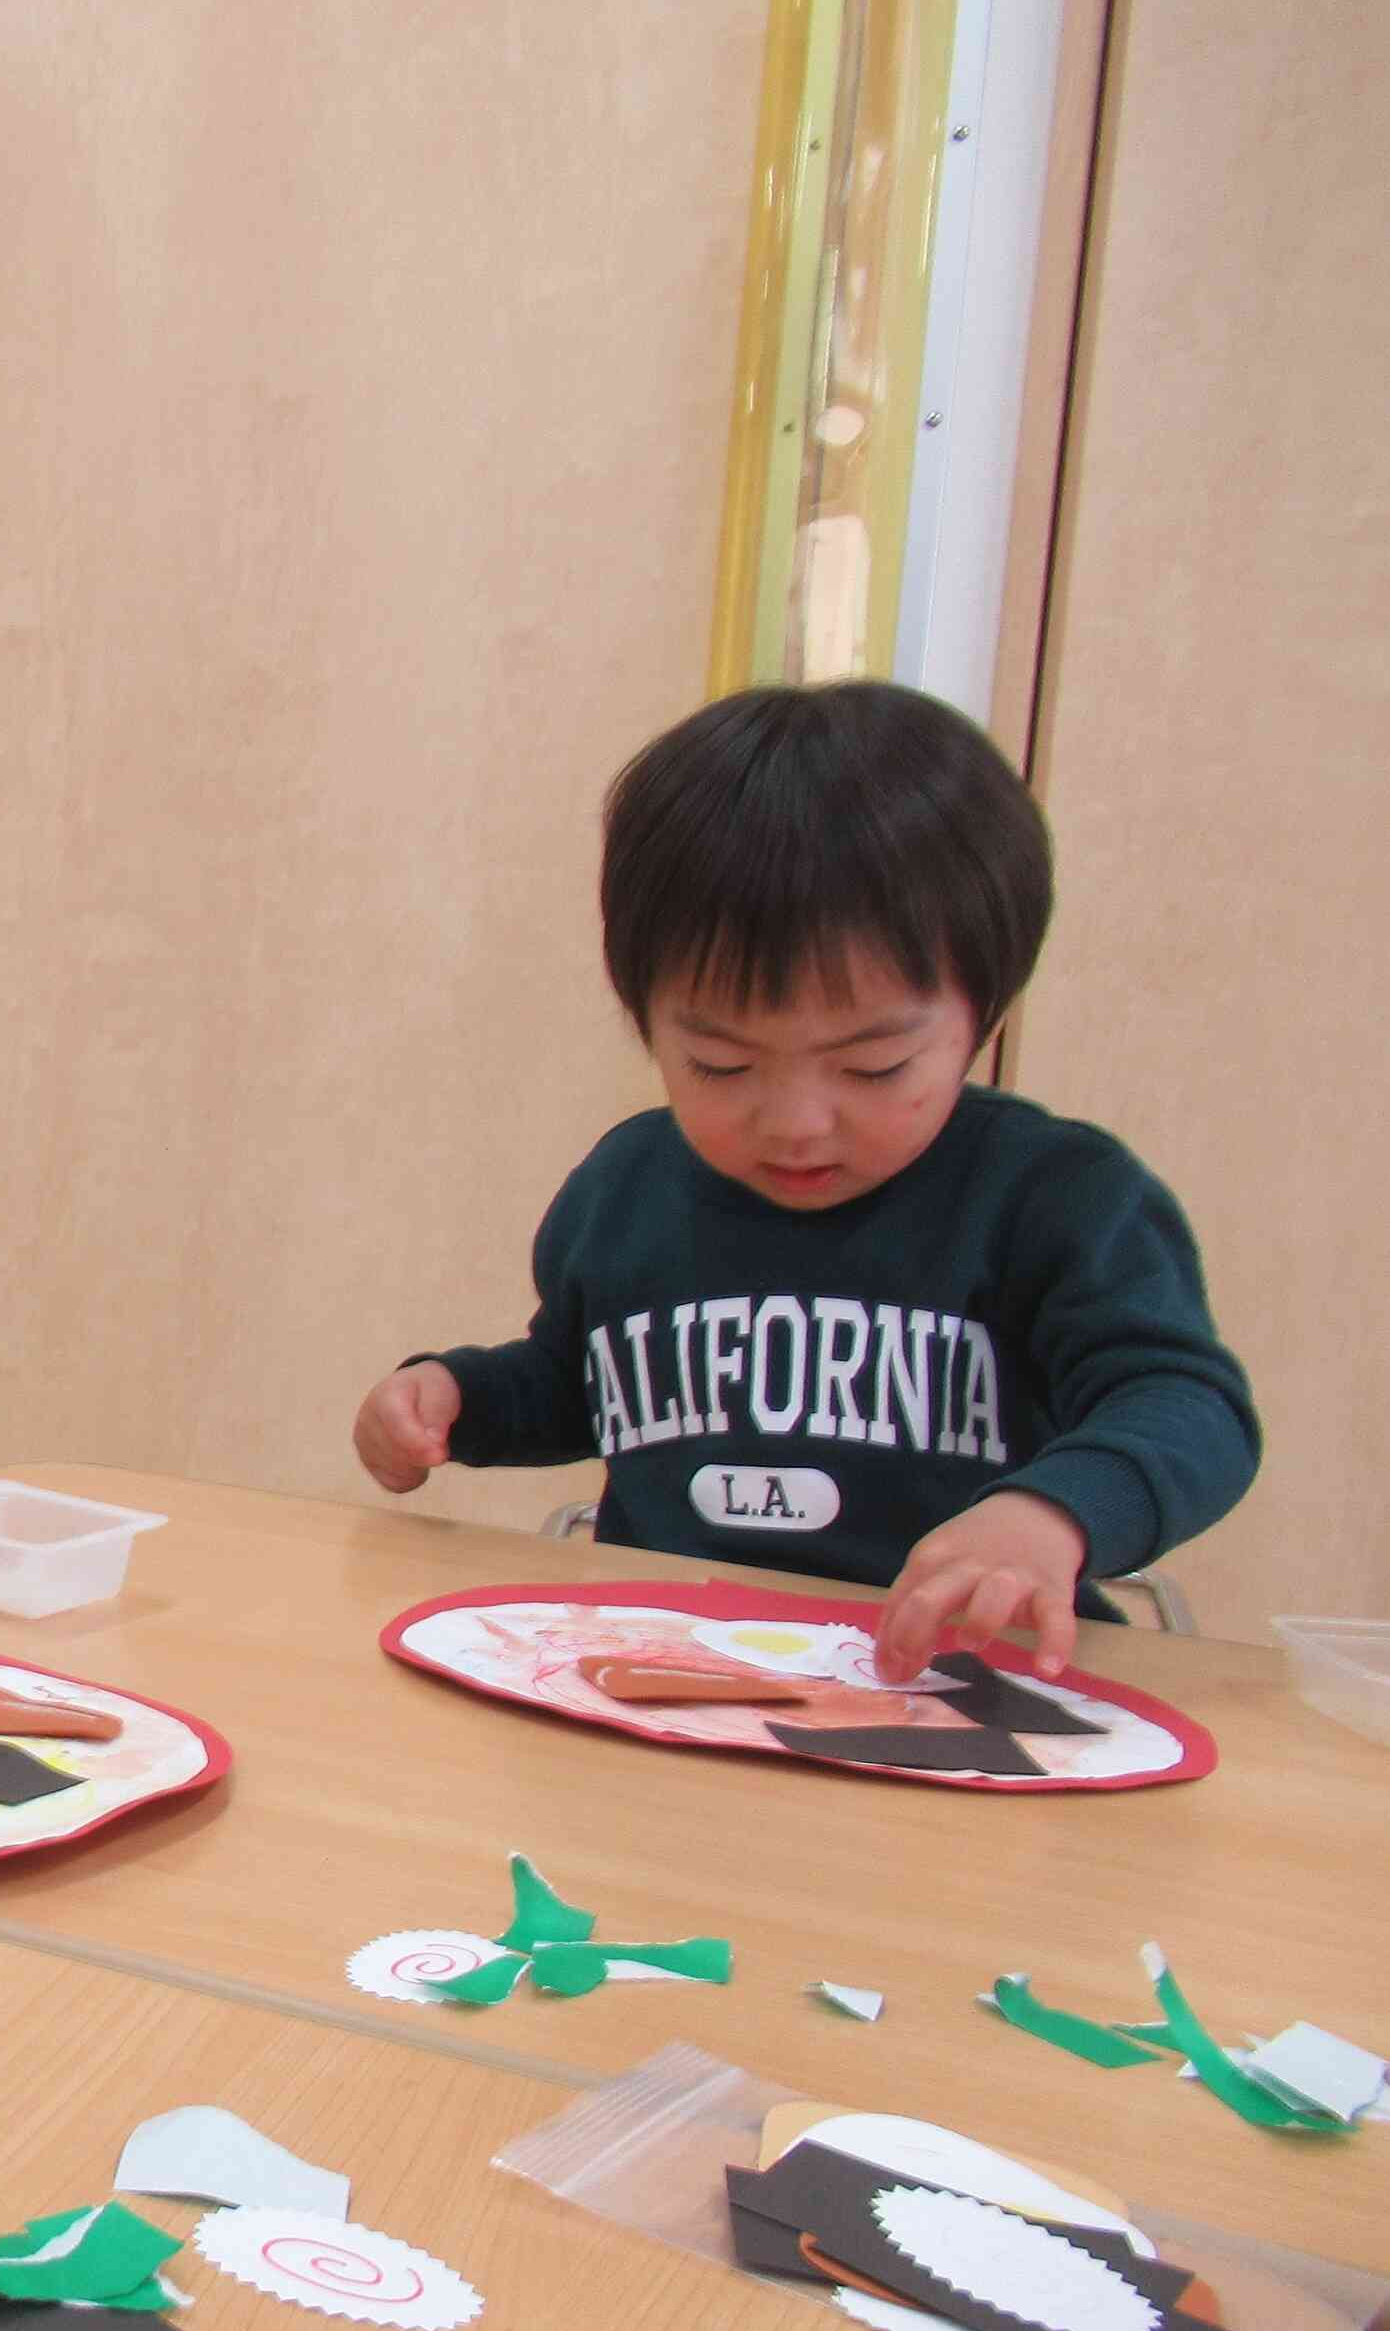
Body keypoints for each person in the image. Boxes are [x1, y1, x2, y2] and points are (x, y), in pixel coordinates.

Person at [353, 679, 1256, 1681]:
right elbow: (578, 1381)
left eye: (871, 1068)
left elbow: (1185, 1404)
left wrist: (1051, 1512)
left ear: (978, 1018)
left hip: (951, 1689)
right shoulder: (626, 1185)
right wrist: (451, 1397)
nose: (792, 1122)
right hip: (674, 1671)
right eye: (719, 1065)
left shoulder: (1056, 1197)